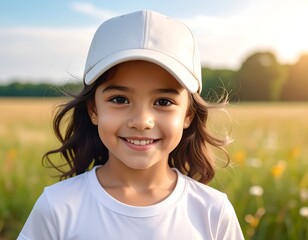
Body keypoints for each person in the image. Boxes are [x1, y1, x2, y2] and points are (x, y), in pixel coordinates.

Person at [18, 10, 244, 239]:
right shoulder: (58, 206)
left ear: (188, 115)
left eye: (163, 102)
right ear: (93, 110)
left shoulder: (213, 212)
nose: (141, 121)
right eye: (119, 99)